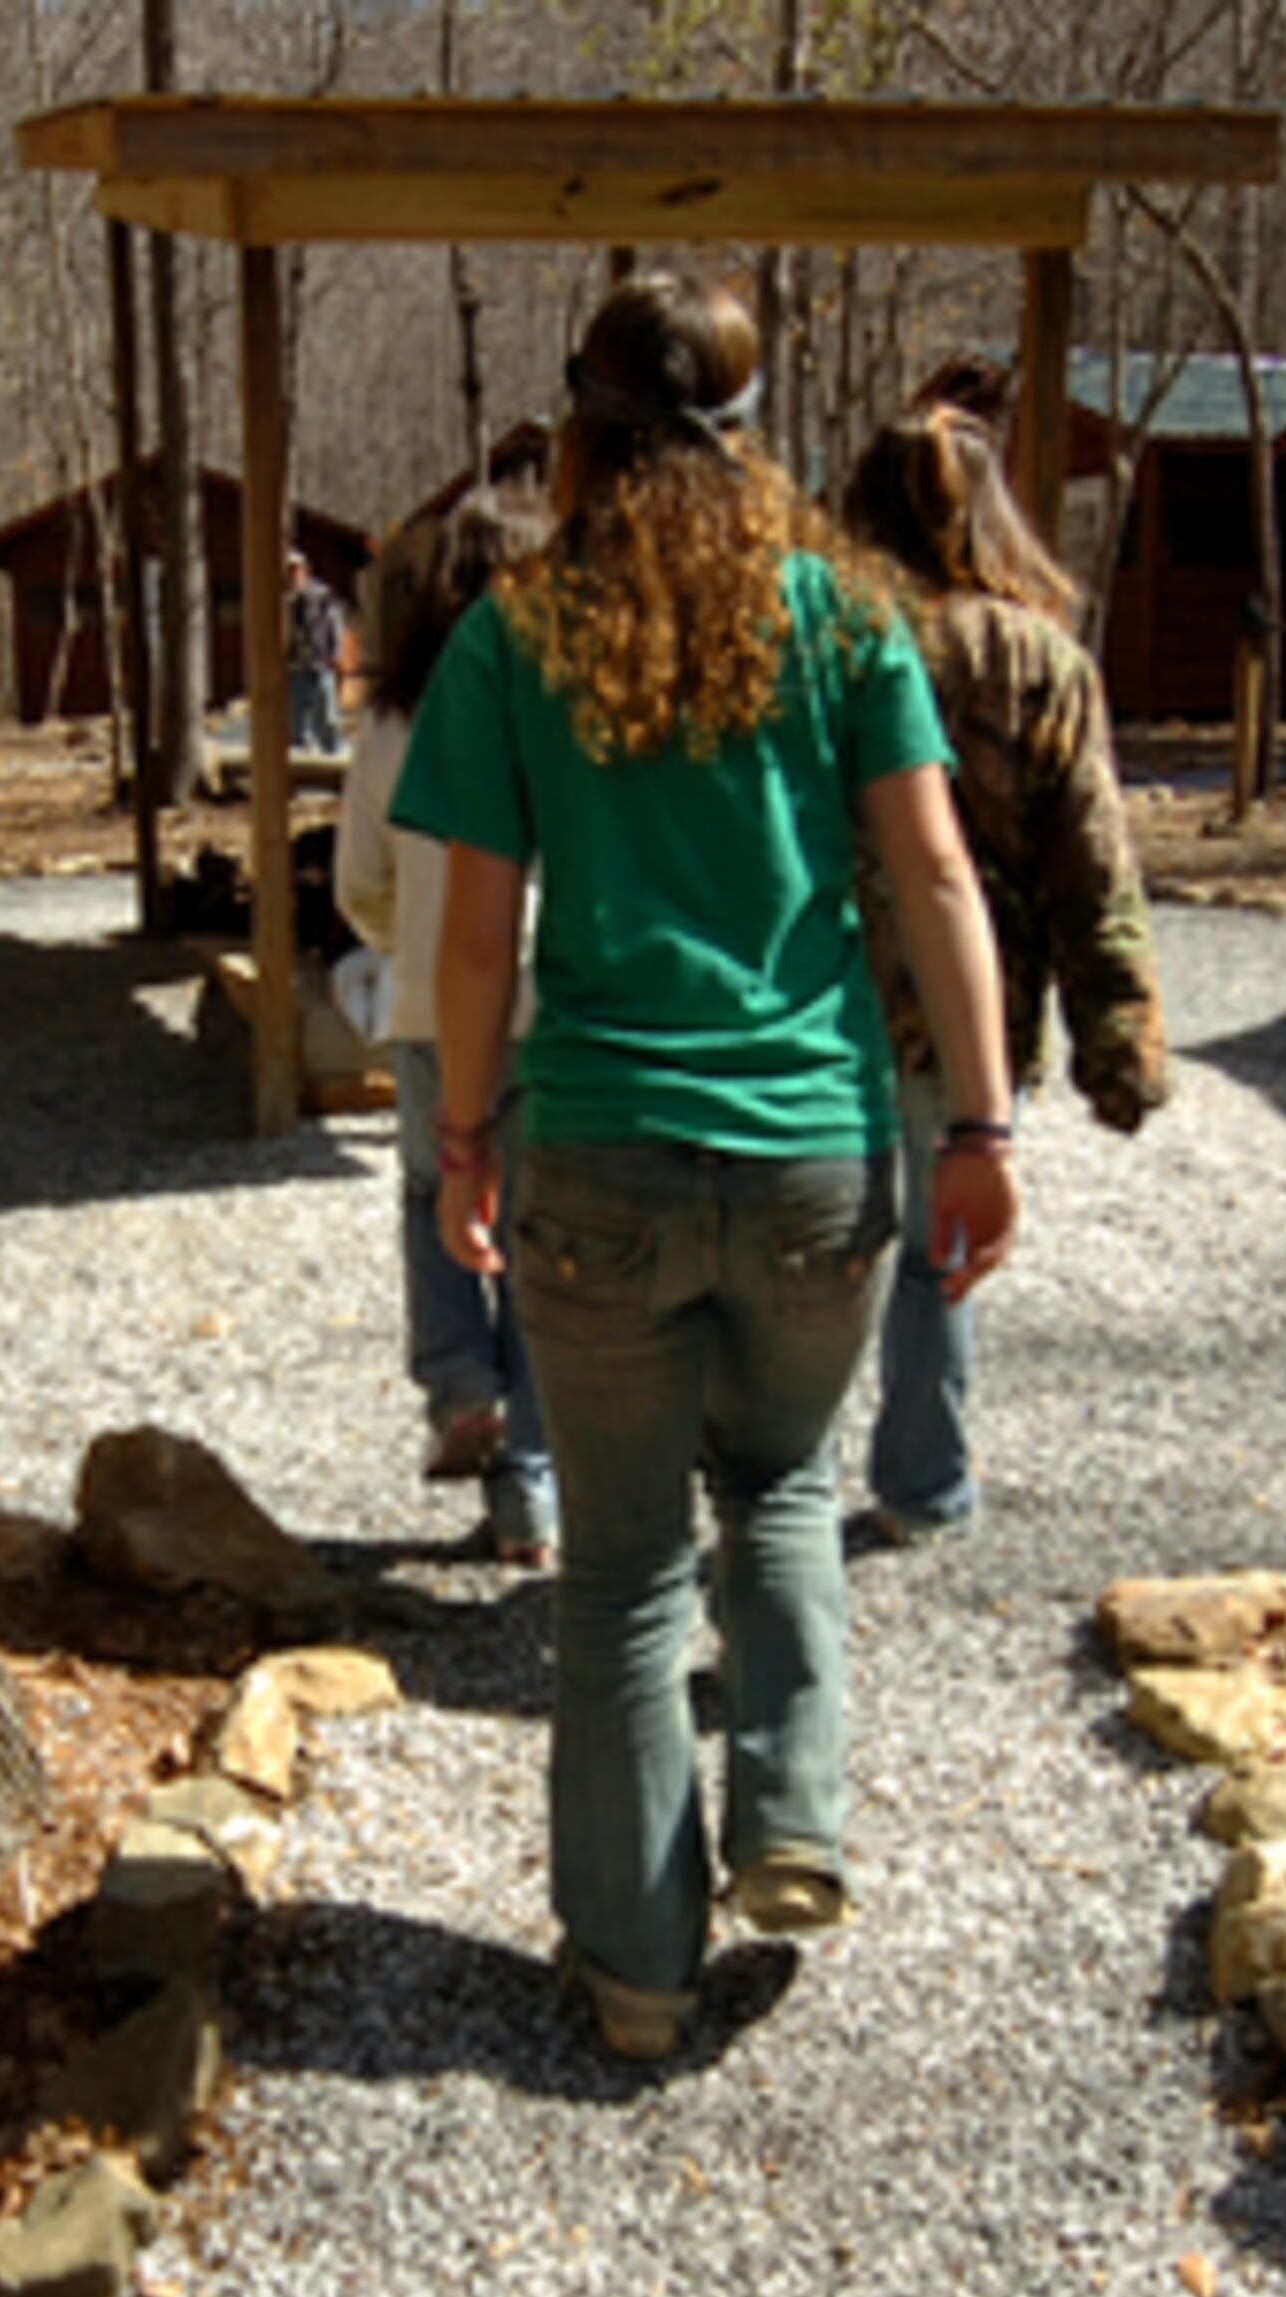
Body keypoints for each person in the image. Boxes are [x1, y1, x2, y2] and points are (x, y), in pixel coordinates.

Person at [390, 274, 1023, 2062]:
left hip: (592, 1148)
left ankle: (641, 1976)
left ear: (580, 428)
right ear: (759, 438)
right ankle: (793, 1819)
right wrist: (978, 1129)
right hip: (817, 1152)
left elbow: (470, 936)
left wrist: (459, 1140)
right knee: (783, 1486)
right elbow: (940, 882)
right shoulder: (846, 617)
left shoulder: (519, 634)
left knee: (616, 1570)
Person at [837, 405, 1169, 1547]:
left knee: (820, 1248)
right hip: (976, 1015)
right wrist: (1119, 1038)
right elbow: (1094, 864)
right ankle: (921, 1483)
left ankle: (775, 1481)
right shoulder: (1041, 661)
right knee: (943, 1258)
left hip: (824, 1004)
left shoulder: (827, 642)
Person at [335, 489, 559, 1566]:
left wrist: (407, 944)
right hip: (555, 1011)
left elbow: (360, 884)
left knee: (434, 1196)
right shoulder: (568, 704)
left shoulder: (392, 722)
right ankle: (531, 1493)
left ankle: (461, 1384)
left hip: (430, 1009)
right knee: (535, 1242)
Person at [283, 547, 349, 757]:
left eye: (296, 570)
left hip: (320, 663)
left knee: (327, 717)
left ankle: (332, 755)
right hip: (293, 667)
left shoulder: (322, 596)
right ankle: (299, 761)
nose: (292, 575)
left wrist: (335, 654)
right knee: (295, 720)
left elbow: (335, 625)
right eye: (288, 571)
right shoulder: (282, 600)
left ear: (305, 571)